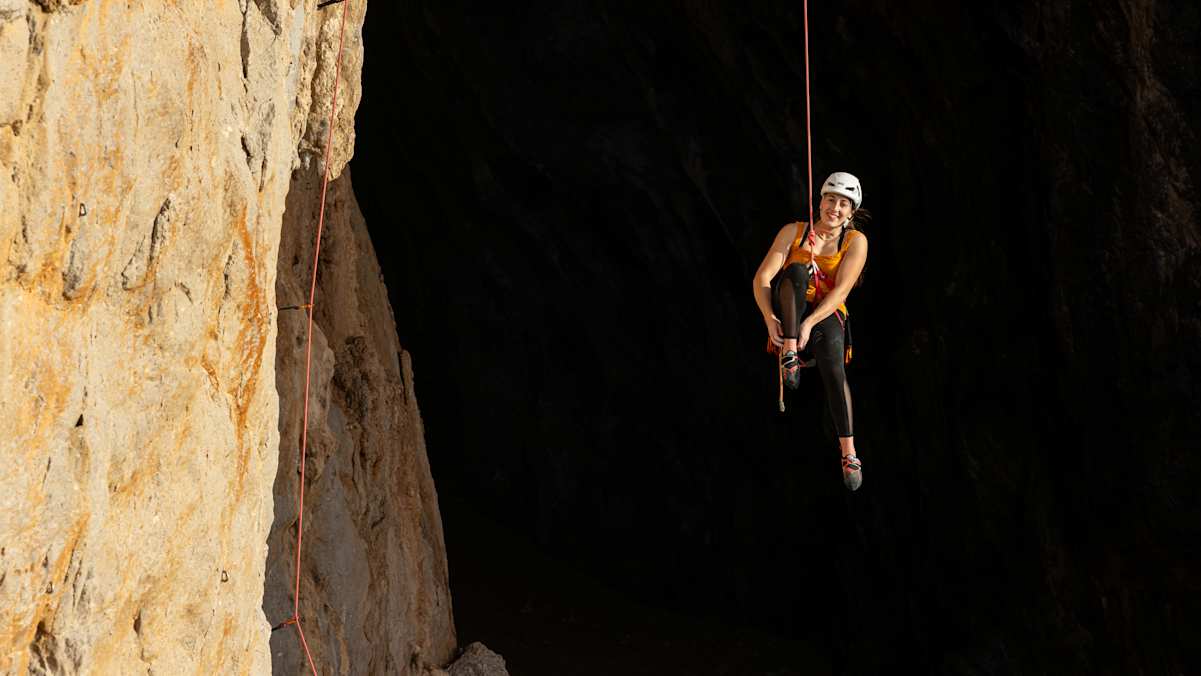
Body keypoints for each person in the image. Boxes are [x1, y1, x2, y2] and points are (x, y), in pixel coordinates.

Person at [752, 172, 869, 490]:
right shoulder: (795, 231)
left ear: (851, 211)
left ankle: (848, 450)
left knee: (833, 362)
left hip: (826, 311)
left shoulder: (854, 241)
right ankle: (788, 351)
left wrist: (809, 324)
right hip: (792, 301)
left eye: (843, 204)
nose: (835, 207)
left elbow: (840, 292)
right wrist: (768, 318)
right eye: (830, 199)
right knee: (796, 270)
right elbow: (762, 279)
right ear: (820, 201)